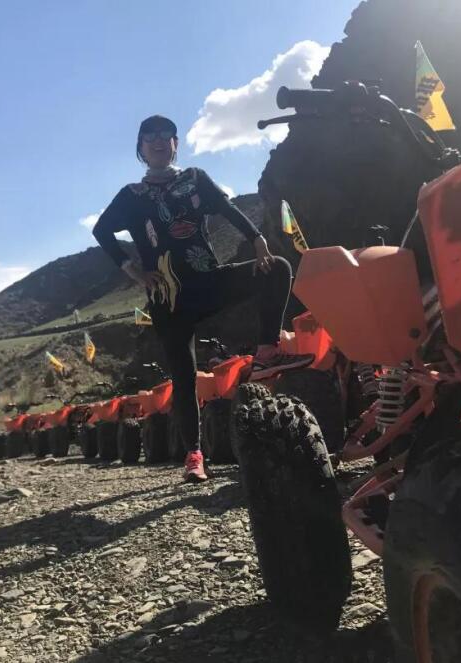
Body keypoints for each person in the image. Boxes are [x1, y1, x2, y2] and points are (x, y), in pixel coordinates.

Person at [93, 115, 314, 483]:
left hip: (209, 281)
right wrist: (133, 270)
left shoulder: (195, 179)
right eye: (150, 136)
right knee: (183, 377)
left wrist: (257, 238)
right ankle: (194, 455)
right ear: (141, 148)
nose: (159, 141)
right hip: (168, 298)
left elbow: (227, 209)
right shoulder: (131, 196)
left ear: (176, 143)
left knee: (276, 269)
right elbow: (102, 230)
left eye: (166, 134)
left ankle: (266, 352)